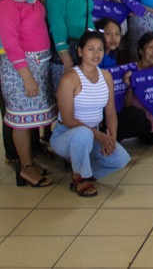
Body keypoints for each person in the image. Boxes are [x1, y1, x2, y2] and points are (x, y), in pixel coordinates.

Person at [0, 0, 57, 187]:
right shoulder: (6, 4)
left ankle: (30, 160)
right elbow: (11, 45)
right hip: (19, 69)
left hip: (38, 63)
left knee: (31, 119)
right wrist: (27, 77)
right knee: (21, 120)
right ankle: (26, 167)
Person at [50, 32, 130, 197]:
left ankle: (81, 166)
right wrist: (101, 137)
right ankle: (79, 178)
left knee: (121, 159)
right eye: (91, 49)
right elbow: (68, 120)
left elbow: (110, 112)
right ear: (80, 51)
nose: (96, 54)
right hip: (65, 135)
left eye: (100, 49)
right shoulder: (70, 78)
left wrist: (111, 139)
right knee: (83, 134)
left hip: (93, 135)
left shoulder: (106, 76)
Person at [93, 18, 150, 140]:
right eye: (108, 34)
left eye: (117, 34)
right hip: (98, 111)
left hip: (112, 107)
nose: (114, 38)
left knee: (144, 123)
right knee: (138, 118)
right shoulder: (96, 58)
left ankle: (111, 138)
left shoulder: (113, 56)